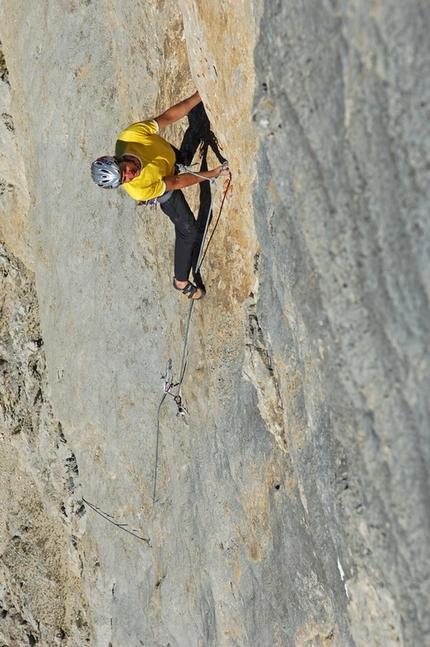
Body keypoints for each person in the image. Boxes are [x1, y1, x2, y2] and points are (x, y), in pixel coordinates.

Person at [91, 92, 230, 300]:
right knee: (189, 230)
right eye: (124, 180)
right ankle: (180, 281)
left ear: (118, 159)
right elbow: (176, 182)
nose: (129, 175)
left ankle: (179, 159)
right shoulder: (138, 188)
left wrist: (199, 95)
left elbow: (169, 117)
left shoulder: (130, 137)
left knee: (180, 156)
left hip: (167, 160)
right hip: (163, 189)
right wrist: (211, 174)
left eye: (124, 170)